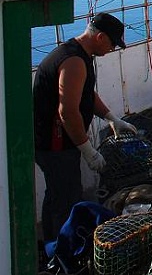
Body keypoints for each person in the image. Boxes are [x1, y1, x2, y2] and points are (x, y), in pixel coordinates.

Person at [33, 12, 137, 242]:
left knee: (56, 193)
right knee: (66, 197)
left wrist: (111, 117)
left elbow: (86, 93)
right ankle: (62, 256)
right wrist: (88, 151)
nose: (112, 49)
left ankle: (51, 243)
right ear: (100, 37)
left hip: (55, 141)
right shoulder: (73, 62)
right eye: (112, 43)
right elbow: (67, 112)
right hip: (55, 144)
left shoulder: (78, 54)